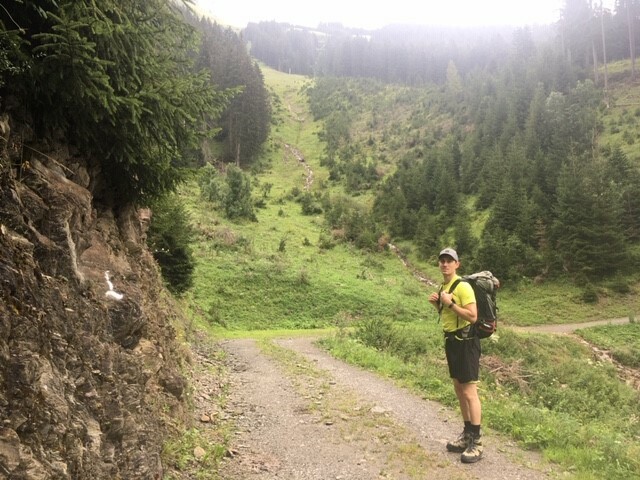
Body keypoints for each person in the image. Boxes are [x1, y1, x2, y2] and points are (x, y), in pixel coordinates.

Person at [428, 247, 483, 463]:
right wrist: (438, 306)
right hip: (452, 341)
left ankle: (477, 442)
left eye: (449, 260)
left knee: (470, 391)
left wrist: (450, 303)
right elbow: (450, 316)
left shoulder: (464, 286)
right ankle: (467, 433)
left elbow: (473, 317)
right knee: (459, 389)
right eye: (442, 260)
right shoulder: (443, 286)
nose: (445, 264)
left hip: (467, 343)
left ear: (457, 264)